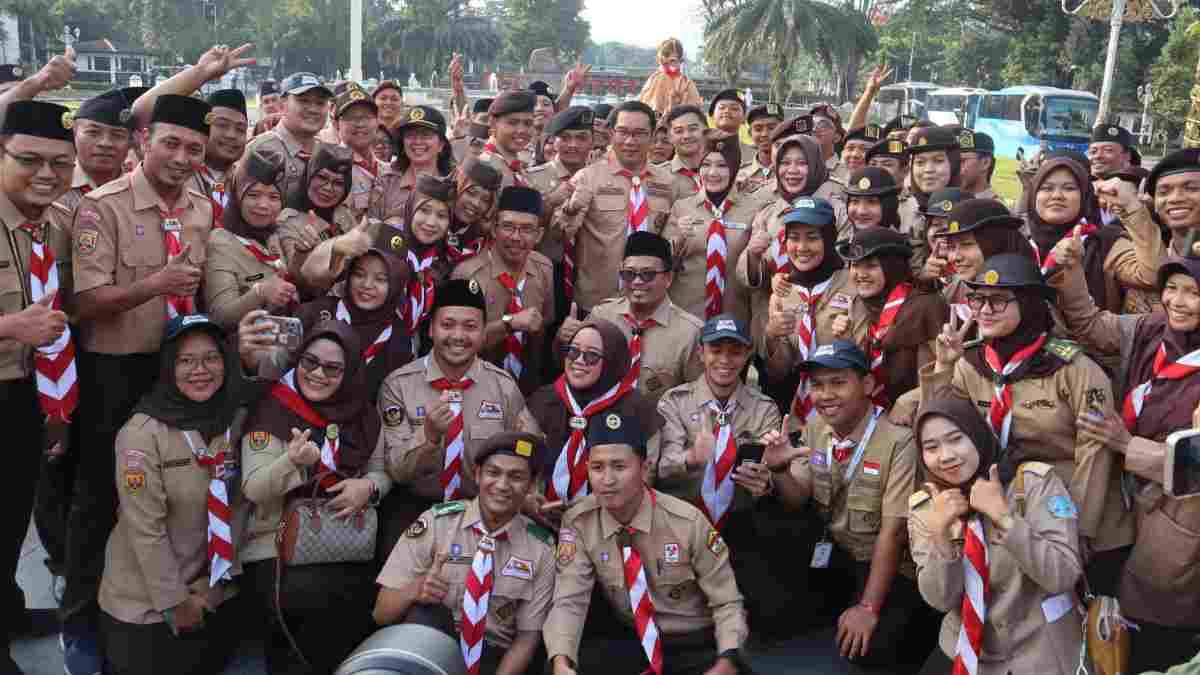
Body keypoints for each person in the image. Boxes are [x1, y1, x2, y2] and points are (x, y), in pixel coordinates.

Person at [66, 94, 216, 670]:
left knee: (172, 495)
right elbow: (85, 302)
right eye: (171, 143)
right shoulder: (101, 207)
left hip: (178, 367)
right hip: (116, 369)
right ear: (143, 142)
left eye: (193, 149)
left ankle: (164, 605)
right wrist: (156, 283)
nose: (181, 157)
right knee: (100, 499)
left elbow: (199, 291)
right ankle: (80, 623)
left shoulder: (202, 207)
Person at [923, 253, 1134, 595]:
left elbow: (1095, 456)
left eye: (1000, 300)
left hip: (1075, 510)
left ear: (1030, 304)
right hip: (1004, 506)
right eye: (977, 299)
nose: (984, 310)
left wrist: (1077, 531)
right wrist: (943, 368)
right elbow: (941, 423)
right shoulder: (970, 362)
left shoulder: (1073, 368)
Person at [1048, 234, 1200, 673]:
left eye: (1194, 292)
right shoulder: (1153, 327)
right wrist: (1074, 274)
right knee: (1107, 617)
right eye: (1172, 287)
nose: (1178, 301)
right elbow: (1091, 326)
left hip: (1176, 517)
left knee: (1155, 625)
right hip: (1122, 498)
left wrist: (1124, 444)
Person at [98, 313, 271, 675]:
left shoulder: (233, 419)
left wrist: (212, 590)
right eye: (185, 360)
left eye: (211, 358)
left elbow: (237, 507)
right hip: (147, 604)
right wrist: (178, 604)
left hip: (214, 593)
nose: (200, 370)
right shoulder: (141, 436)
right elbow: (145, 531)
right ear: (167, 367)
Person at [760, 340, 935, 672]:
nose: (825, 395)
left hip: (892, 568)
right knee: (775, 606)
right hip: (839, 554)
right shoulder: (815, 428)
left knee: (871, 649)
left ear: (867, 385)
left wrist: (868, 607)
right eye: (818, 385)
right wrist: (780, 470)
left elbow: (894, 533)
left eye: (838, 382)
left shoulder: (898, 441)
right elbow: (798, 497)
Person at [240, 319, 392, 674]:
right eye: (309, 362)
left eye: (332, 368)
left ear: (350, 371)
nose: (318, 374)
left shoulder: (363, 414)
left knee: (363, 597)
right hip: (276, 545)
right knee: (311, 599)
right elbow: (254, 488)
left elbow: (382, 471)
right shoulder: (274, 409)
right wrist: (290, 462)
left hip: (345, 539)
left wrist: (367, 488)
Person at [544, 412, 749, 675]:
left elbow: (727, 602)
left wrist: (726, 662)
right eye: (597, 468)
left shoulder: (687, 522)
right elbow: (569, 600)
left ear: (644, 469)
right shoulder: (580, 521)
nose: (607, 480)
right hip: (635, 642)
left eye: (619, 467)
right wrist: (562, 663)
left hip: (695, 642)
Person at [908, 398, 1084, 675]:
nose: (946, 456)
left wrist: (1006, 519)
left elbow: (1063, 575)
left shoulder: (1033, 484)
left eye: (956, 439)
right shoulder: (926, 505)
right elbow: (940, 600)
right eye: (931, 447)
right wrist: (939, 534)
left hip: (1040, 648)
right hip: (965, 649)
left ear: (977, 436)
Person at [373, 432, 556, 675]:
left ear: (531, 485)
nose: (502, 485)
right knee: (424, 613)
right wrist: (415, 590)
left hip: (494, 659)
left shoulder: (541, 549)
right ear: (478, 475)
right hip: (431, 649)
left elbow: (526, 639)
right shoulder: (436, 524)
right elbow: (380, 614)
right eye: (493, 473)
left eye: (516, 477)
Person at [377, 278, 541, 546]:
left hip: (484, 511)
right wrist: (427, 436)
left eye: (470, 327)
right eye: (447, 325)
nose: (458, 336)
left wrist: (531, 493)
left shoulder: (503, 386)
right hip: (416, 509)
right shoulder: (399, 385)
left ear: (483, 334)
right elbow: (396, 470)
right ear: (430, 329)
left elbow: (528, 449)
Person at [0, 100, 76, 673]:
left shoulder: (54, 221)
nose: (46, 174)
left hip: (26, 393)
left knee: (11, 517)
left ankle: (10, 610)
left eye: (60, 163)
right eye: (29, 160)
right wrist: (9, 326)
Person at [527, 318, 663, 504]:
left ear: (612, 360)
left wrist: (592, 507)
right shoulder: (543, 400)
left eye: (591, 356)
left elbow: (644, 477)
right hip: (542, 514)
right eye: (573, 352)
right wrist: (530, 498)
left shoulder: (638, 410)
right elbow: (522, 458)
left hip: (608, 516)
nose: (579, 361)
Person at [557, 101, 676, 312]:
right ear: (612, 133)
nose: (630, 141)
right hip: (598, 302)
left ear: (652, 135)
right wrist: (567, 217)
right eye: (623, 132)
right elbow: (560, 236)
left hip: (650, 301)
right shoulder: (588, 177)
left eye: (639, 133)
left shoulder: (667, 182)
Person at [577, 231, 703, 405]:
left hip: (660, 427)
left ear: (668, 278)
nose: (636, 282)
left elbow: (697, 397)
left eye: (647, 274)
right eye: (629, 274)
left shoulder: (690, 332)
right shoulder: (602, 316)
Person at [131, 45, 256, 220]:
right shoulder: (177, 167)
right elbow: (140, 111)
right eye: (222, 125)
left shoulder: (246, 180)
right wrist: (201, 72)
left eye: (240, 129)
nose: (231, 135)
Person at [451, 186, 554, 394]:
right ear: (493, 229)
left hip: (527, 389)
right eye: (508, 227)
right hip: (474, 387)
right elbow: (455, 344)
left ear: (539, 235)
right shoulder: (469, 274)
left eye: (526, 229)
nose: (516, 237)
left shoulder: (544, 268)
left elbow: (545, 326)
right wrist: (509, 323)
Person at [663, 130, 771, 325]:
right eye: (706, 164)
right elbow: (662, 264)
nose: (712, 173)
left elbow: (759, 271)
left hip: (735, 317)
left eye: (722, 165)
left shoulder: (754, 209)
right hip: (686, 316)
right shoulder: (682, 207)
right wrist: (678, 238)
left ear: (735, 168)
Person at [832, 228, 946, 410]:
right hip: (876, 417)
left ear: (892, 268)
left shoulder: (927, 306)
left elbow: (951, 372)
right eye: (855, 265)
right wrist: (847, 342)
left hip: (921, 417)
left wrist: (911, 401)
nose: (860, 274)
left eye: (871, 266)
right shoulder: (860, 305)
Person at [757, 200, 852, 415]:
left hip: (846, 407)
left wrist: (849, 338)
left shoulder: (853, 285)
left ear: (829, 239)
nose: (801, 248)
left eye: (812, 237)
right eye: (794, 238)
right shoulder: (783, 291)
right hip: (797, 414)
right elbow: (779, 373)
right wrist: (772, 336)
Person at [295, 245, 412, 398]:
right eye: (359, 274)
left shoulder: (399, 337)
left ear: (396, 284)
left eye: (381, 279)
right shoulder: (313, 314)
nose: (367, 285)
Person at [203, 147, 298, 329]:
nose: (263, 205)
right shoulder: (220, 241)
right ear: (237, 196)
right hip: (243, 348)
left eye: (274, 197)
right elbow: (219, 316)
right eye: (253, 195)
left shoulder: (274, 233)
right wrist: (259, 293)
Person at [1027, 155, 1128, 316]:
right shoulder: (1020, 245)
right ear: (1033, 196)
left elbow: (1150, 275)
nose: (1057, 195)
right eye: (1046, 188)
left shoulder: (1106, 242)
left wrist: (1135, 209)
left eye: (1069, 188)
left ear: (1085, 195)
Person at [528, 107, 593, 347]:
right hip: (546, 271)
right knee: (541, 338)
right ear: (553, 141)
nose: (573, 145)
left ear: (593, 141)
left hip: (588, 274)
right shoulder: (533, 178)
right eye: (565, 138)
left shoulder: (602, 178)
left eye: (581, 138)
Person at [933, 199, 1033, 326]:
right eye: (951, 247)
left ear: (997, 244)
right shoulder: (954, 289)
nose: (955, 258)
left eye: (966, 244)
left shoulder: (1033, 295)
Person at [243, 72, 335, 201]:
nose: (313, 109)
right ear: (283, 105)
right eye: (304, 101)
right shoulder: (259, 151)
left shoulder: (329, 154)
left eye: (320, 103)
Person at [277, 144, 358, 288]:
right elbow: (297, 278)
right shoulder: (289, 220)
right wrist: (302, 253)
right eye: (322, 177)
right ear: (309, 175)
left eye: (338, 183)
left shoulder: (343, 213)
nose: (328, 188)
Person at [59, 87, 144, 214]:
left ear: (131, 142)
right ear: (74, 133)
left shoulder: (141, 190)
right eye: (93, 132)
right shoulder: (54, 185)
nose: (105, 143)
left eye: (117, 135)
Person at [368, 104, 453, 221]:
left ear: (441, 145)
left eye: (426, 135)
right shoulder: (386, 182)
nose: (417, 141)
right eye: (410, 135)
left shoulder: (451, 186)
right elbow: (371, 228)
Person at [905, 126, 962, 271]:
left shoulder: (970, 208)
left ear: (954, 164)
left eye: (938, 160)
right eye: (920, 162)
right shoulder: (903, 209)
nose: (928, 169)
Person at [332, 82, 383, 220]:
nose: (360, 124)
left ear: (377, 122)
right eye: (351, 118)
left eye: (366, 117)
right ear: (336, 124)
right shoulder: (329, 169)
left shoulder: (387, 170)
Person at [447, 156, 502, 266]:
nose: (476, 203)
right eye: (471, 193)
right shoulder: (429, 225)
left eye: (486, 200)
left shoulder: (483, 240)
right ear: (455, 188)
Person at [478, 91, 537, 188]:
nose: (521, 130)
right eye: (512, 123)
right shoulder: (484, 165)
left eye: (528, 123)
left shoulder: (517, 165)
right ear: (493, 123)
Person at [637, 37, 702, 116]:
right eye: (663, 61)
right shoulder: (655, 78)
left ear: (680, 60)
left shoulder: (686, 83)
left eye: (672, 60)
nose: (667, 64)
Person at [1087, 122, 1137, 225]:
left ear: (1127, 156)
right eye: (1093, 151)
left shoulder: (1138, 185)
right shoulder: (1081, 186)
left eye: (1108, 150)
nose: (1098, 156)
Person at [663, 104, 709, 199]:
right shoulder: (659, 176)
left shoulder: (728, 171)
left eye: (693, 129)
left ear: (707, 130)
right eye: (679, 131)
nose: (686, 136)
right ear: (669, 137)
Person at [736, 103, 783, 193]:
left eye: (771, 128)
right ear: (750, 133)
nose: (765, 134)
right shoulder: (739, 173)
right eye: (758, 129)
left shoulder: (792, 173)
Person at [844, 167, 902, 233]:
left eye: (871, 202)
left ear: (889, 206)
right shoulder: (840, 243)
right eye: (855, 201)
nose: (861, 212)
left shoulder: (902, 243)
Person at [954, 128, 997, 200]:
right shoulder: (946, 200)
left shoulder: (995, 208)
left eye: (962, 161)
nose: (955, 167)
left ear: (985, 163)